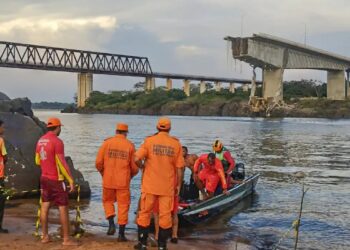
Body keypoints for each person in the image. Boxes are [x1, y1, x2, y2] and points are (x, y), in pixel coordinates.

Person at [134, 117, 184, 250]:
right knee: (165, 216)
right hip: (167, 188)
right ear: (169, 128)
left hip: (150, 186)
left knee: (144, 213)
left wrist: (142, 166)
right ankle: (162, 246)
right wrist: (178, 185)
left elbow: (136, 158)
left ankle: (142, 244)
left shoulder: (149, 141)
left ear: (157, 128)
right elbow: (179, 168)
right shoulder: (176, 144)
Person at [35, 117, 78, 246]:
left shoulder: (40, 140)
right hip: (56, 179)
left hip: (44, 178)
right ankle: (66, 239)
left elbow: (37, 160)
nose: (60, 130)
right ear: (58, 127)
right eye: (60, 128)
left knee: (45, 206)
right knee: (63, 208)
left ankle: (45, 236)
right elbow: (62, 162)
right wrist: (70, 180)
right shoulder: (57, 141)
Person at [95, 123, 138, 241]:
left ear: (116, 131)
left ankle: (111, 224)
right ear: (126, 133)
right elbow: (134, 167)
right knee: (123, 206)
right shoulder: (130, 145)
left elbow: (98, 163)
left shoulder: (106, 143)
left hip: (108, 180)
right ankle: (121, 235)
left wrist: (104, 174)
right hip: (123, 181)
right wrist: (130, 176)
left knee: (107, 201)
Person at [0, 120, 8, 233]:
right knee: (1, 202)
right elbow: (5, 156)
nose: (4, 129)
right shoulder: (1, 140)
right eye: (2, 127)